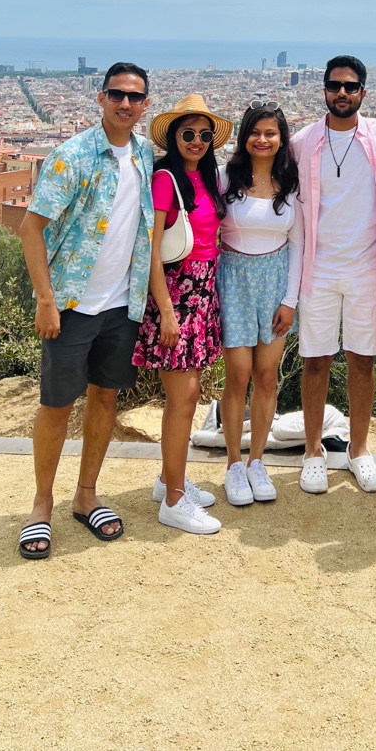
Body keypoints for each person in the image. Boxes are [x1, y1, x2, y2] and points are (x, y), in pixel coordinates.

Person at [17, 62, 154, 559]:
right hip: (72, 305)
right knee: (56, 406)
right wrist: (47, 301)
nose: (125, 103)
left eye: (134, 97)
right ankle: (41, 506)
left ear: (145, 105)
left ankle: (86, 495)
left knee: (104, 399)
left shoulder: (144, 156)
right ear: (101, 98)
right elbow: (30, 229)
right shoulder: (70, 156)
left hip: (122, 304)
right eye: (117, 94)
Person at [291, 55, 376, 495]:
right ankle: (313, 450)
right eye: (335, 85)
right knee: (315, 361)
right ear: (323, 90)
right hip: (317, 268)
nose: (342, 93)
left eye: (351, 87)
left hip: (366, 268)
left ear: (363, 93)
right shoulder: (302, 141)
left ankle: (358, 450)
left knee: (362, 360)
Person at [133, 94, 233, 535]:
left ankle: (167, 481)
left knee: (187, 397)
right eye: (187, 133)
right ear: (173, 137)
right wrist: (168, 311)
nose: (196, 140)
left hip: (202, 293)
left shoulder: (205, 179)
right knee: (184, 398)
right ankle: (173, 501)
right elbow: (153, 253)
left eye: (203, 135)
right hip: (175, 295)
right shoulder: (165, 180)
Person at [216, 101, 303, 506]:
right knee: (238, 374)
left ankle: (256, 461)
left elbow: (299, 245)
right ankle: (234, 463)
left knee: (267, 377)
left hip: (275, 281)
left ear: (282, 139)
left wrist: (290, 299)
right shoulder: (224, 179)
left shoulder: (292, 184)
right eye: (256, 132)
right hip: (233, 278)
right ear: (244, 137)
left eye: (271, 133)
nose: (263, 140)